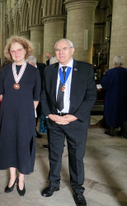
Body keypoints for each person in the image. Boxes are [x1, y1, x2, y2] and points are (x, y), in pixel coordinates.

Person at [41, 38, 97, 206]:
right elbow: (44, 94)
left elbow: (91, 96)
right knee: (54, 155)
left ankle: (78, 190)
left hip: (76, 121)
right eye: (57, 50)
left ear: (72, 50)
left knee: (76, 157)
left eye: (64, 49)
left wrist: (75, 116)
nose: (61, 52)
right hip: (55, 120)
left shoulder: (86, 69)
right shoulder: (49, 70)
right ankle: (54, 184)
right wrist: (49, 115)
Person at [0, 36, 41, 196]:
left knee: (23, 145)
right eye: (13, 51)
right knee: (9, 145)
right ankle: (12, 177)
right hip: (8, 116)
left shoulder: (34, 71)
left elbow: (36, 96)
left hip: (26, 117)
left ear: (26, 50)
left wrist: (25, 111)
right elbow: (1, 93)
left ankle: (21, 179)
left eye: (19, 50)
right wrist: (10, 108)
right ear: (9, 53)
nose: (16, 53)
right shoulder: (6, 70)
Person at [100, 55, 127, 136]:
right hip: (124, 96)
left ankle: (111, 130)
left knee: (112, 111)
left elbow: (104, 85)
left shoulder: (110, 72)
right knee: (123, 112)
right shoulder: (126, 71)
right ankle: (123, 130)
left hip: (112, 95)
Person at [27, 55, 45, 139]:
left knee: (36, 114)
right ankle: (29, 129)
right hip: (29, 95)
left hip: (39, 95)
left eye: (30, 65)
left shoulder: (42, 67)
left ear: (35, 63)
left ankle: (34, 129)